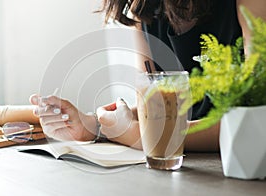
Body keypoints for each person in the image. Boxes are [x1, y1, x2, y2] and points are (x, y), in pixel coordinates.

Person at [30, 0, 266, 151]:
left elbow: (254, 123)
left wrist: (142, 137)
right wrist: (94, 125)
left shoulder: (251, 4)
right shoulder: (142, 9)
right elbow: (157, 108)